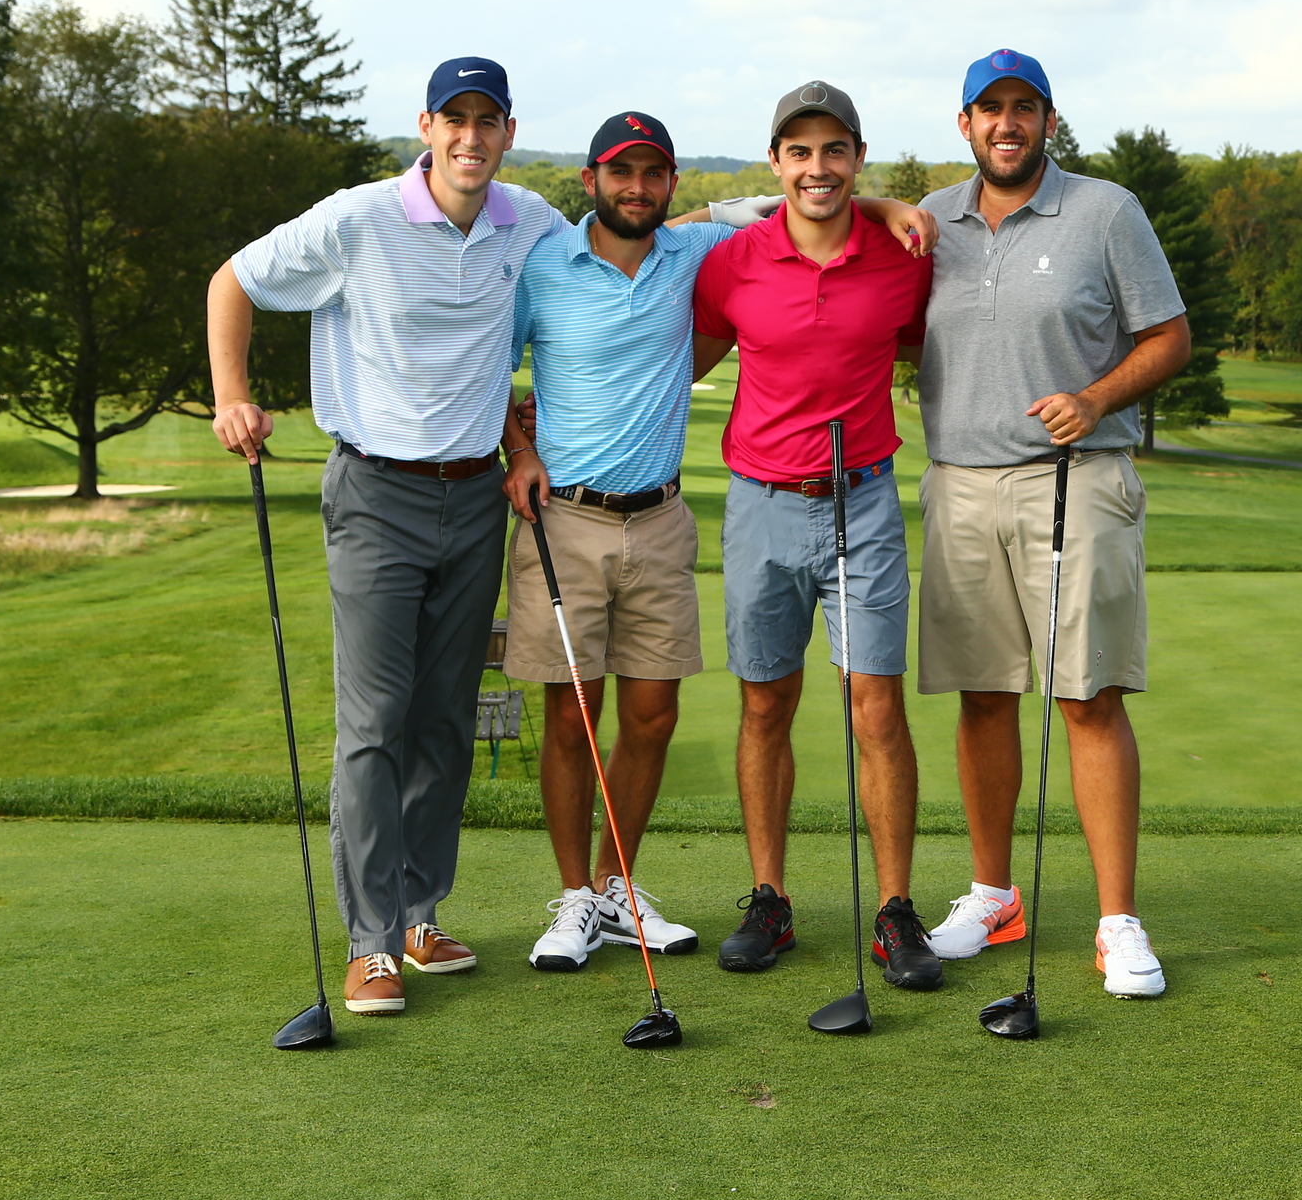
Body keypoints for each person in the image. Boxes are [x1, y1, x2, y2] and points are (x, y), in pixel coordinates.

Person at [500, 111, 937, 972]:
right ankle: (617, 897)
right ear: (590, 179)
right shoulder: (577, 263)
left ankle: (885, 911)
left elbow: (801, 207)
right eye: (620, 171)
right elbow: (500, 367)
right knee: (610, 713)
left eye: (653, 172)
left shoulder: (713, 250)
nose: (636, 187)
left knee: (702, 714)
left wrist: (887, 207)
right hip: (645, 511)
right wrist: (521, 442)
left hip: (761, 508)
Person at [206, 56, 567, 1017]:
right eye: (455, 119)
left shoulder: (529, 221)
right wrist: (232, 395)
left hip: (475, 497)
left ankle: (417, 914)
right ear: (427, 126)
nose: (471, 137)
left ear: (508, 131)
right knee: (374, 722)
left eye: (487, 120)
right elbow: (233, 280)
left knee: (445, 717)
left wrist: (520, 443)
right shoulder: (357, 218)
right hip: (375, 493)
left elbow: (613, 255)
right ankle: (370, 942)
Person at [911, 48, 1191, 998]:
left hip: (1078, 478)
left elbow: (1170, 336)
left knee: (1088, 697)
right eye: (989, 108)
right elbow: (822, 215)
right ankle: (994, 896)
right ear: (965, 123)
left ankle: (1119, 922)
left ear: (1048, 120)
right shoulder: (932, 221)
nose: (1007, 123)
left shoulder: (1106, 211)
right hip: (959, 484)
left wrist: (1096, 396)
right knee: (983, 695)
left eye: (1023, 107)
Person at [690, 81, 943, 991]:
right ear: (775, 162)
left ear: (857, 156)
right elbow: (682, 355)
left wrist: (884, 209)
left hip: (862, 501)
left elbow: (932, 345)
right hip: (760, 502)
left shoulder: (904, 259)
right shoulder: (734, 261)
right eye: (799, 151)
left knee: (876, 705)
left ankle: (895, 907)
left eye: (835, 150)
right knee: (766, 703)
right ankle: (770, 898)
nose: (817, 167)